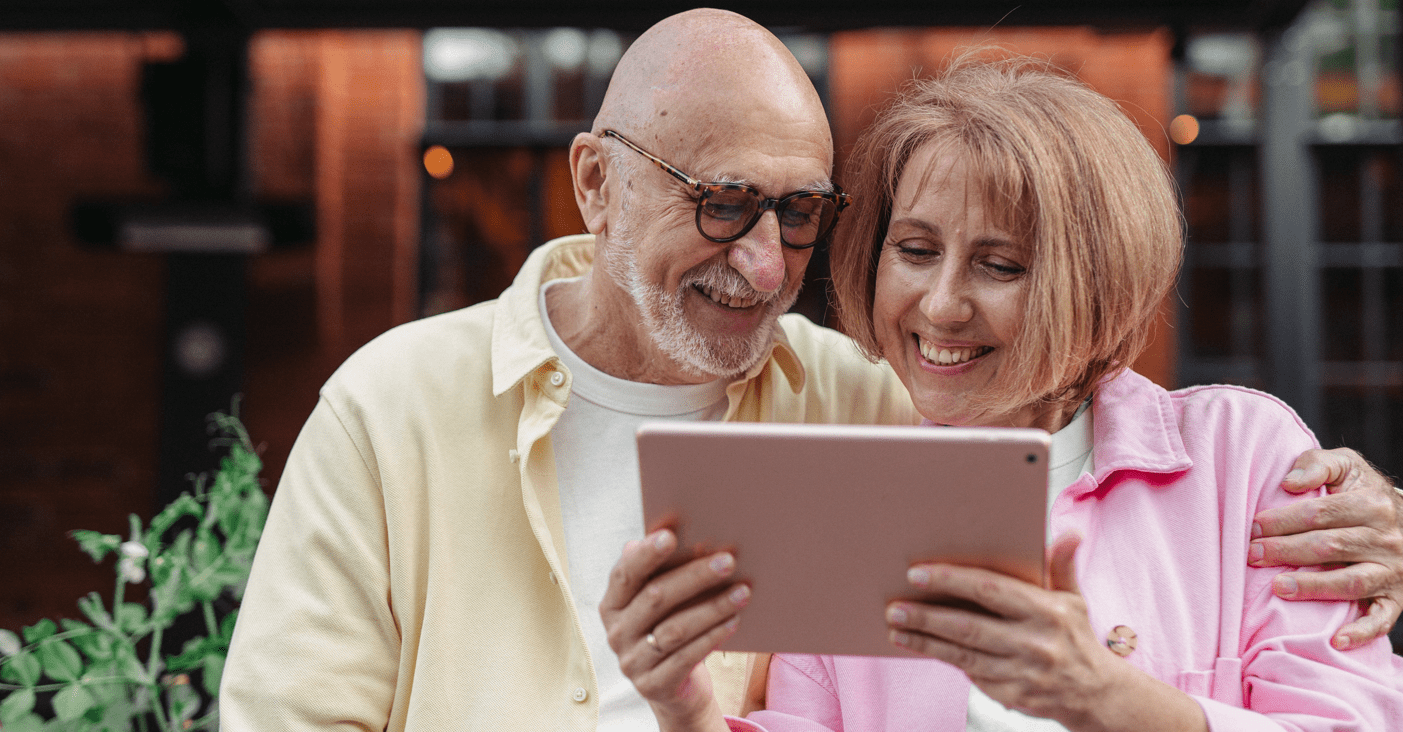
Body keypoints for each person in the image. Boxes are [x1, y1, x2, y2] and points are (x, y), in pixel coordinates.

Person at [219, 11, 1403, 730]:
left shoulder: (872, 422)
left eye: (796, 214)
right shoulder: (394, 407)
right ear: (595, 184)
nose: (759, 261)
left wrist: (1379, 523)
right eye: (723, 204)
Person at [601, 54, 1403, 732]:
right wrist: (685, 710)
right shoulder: (851, 504)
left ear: (1099, 280)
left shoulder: (1242, 460)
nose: (941, 304)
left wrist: (1113, 702)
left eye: (999, 265)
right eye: (914, 250)